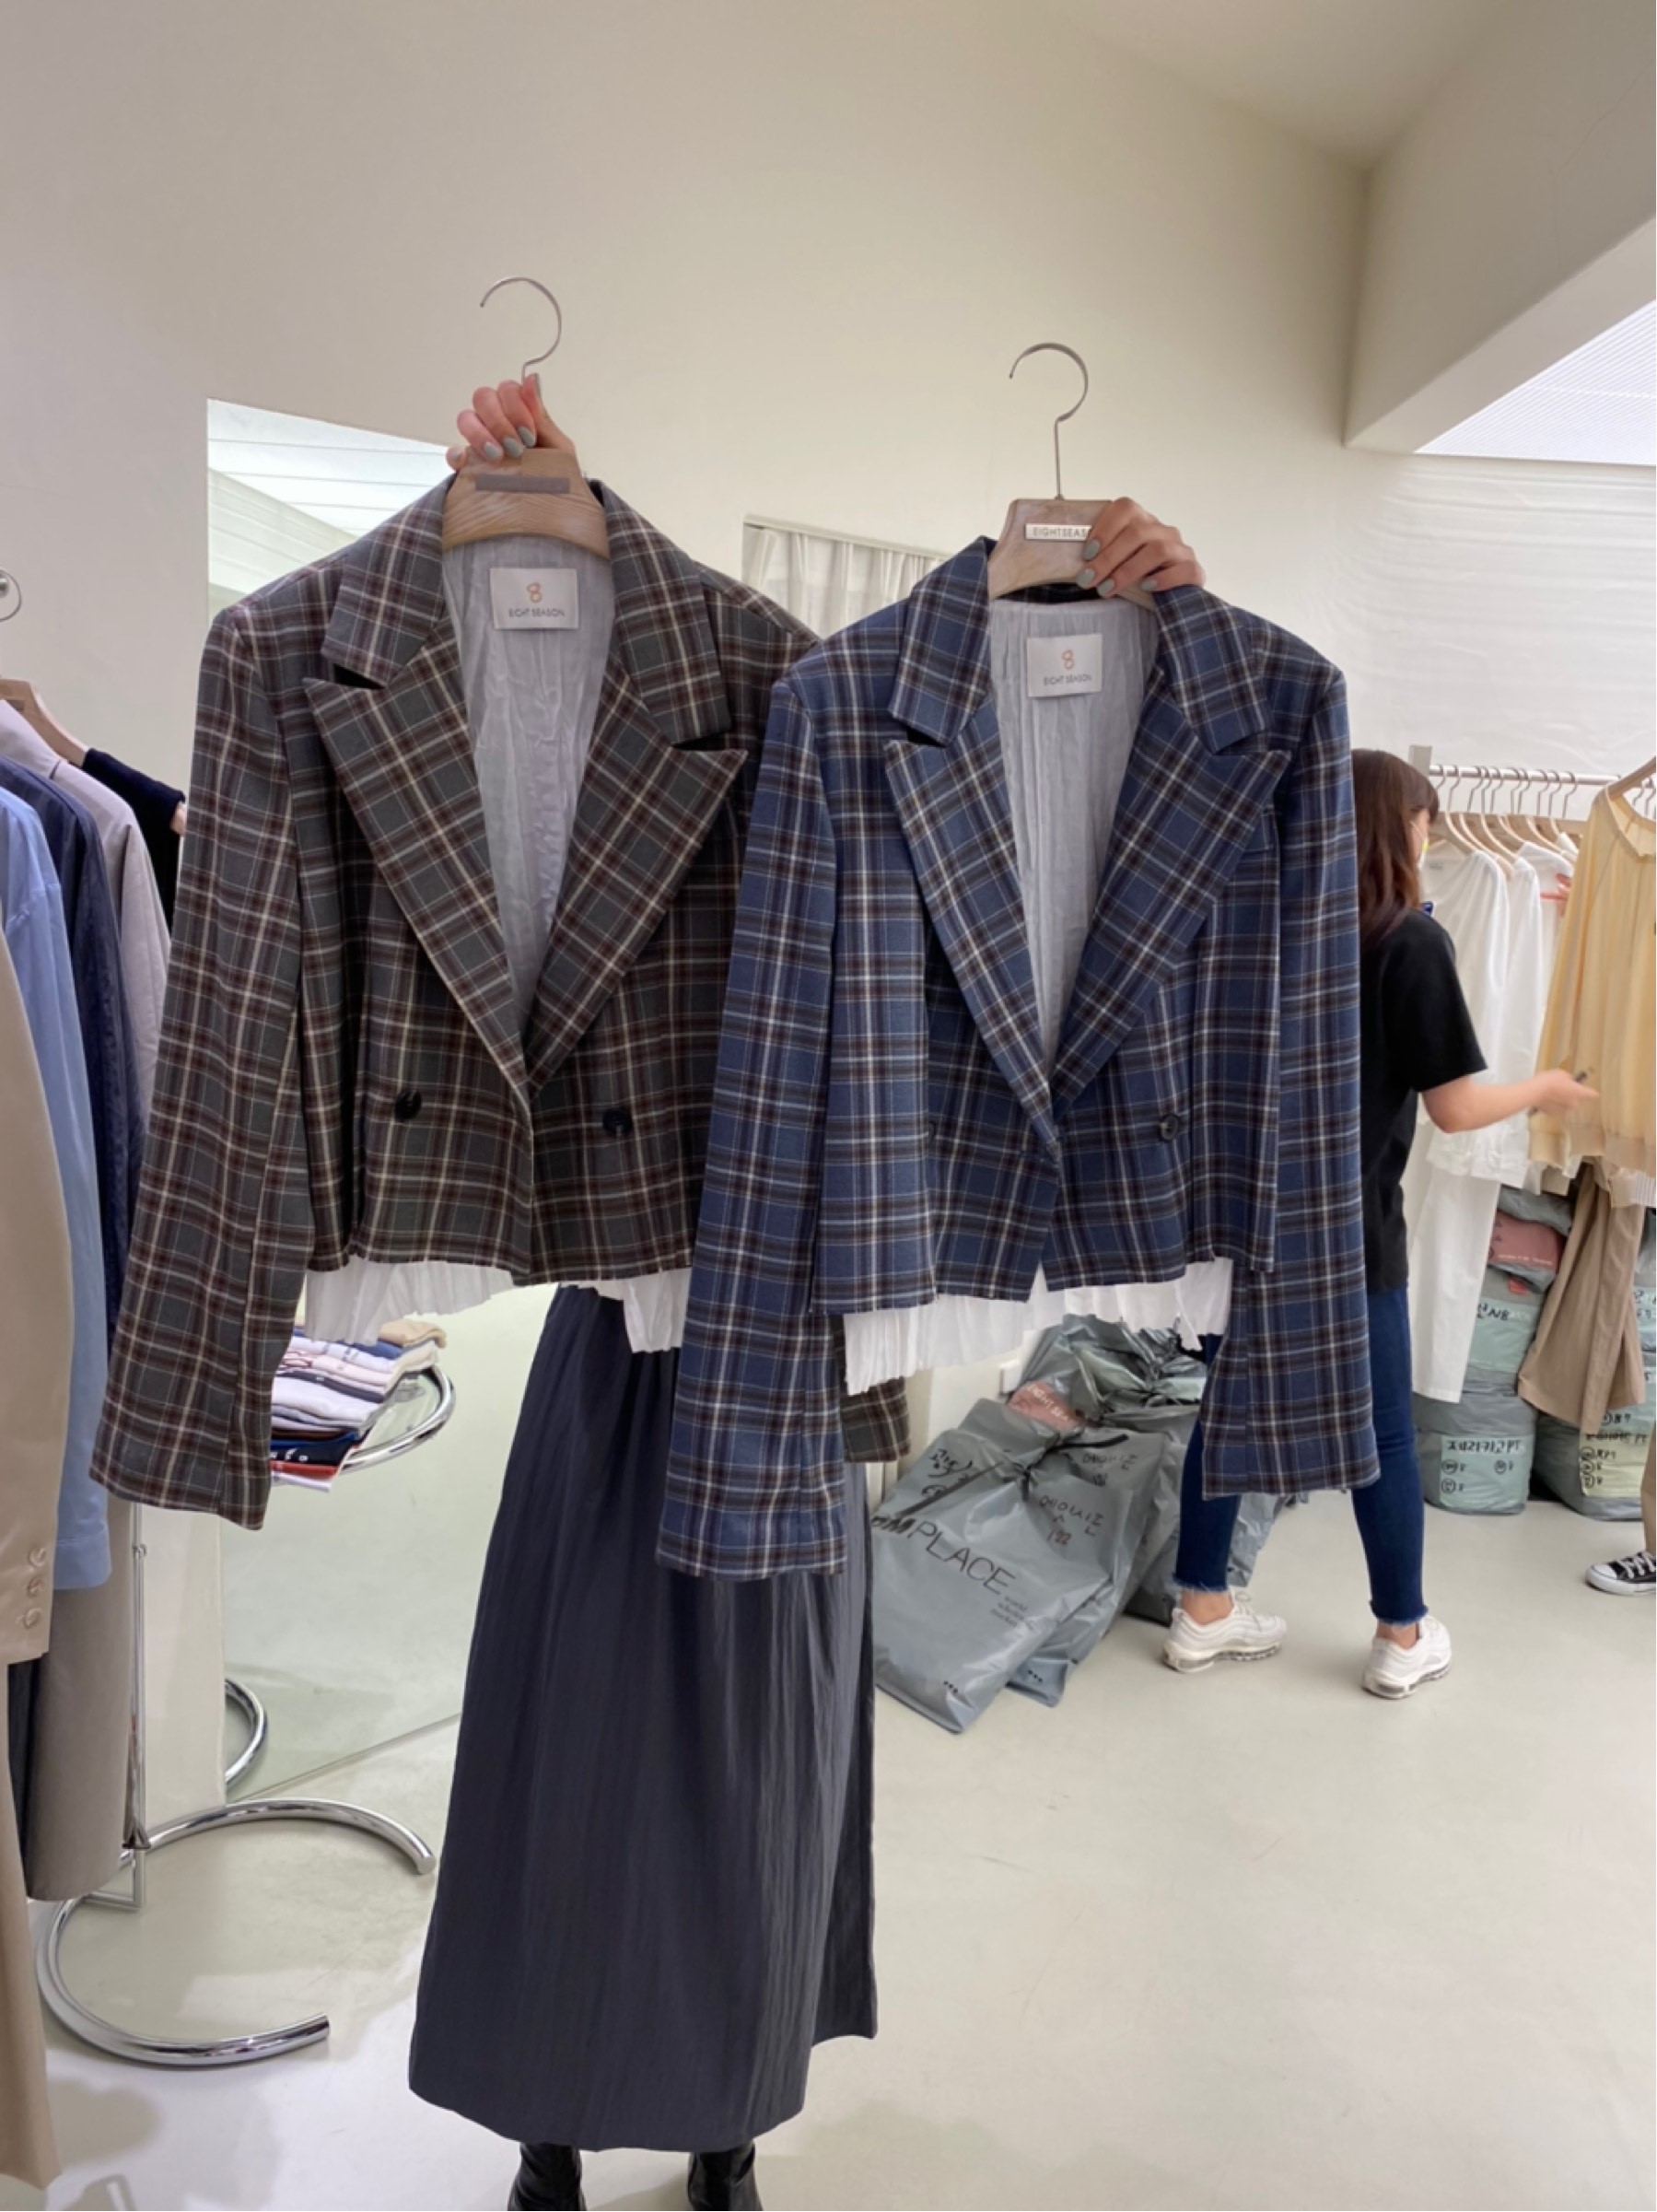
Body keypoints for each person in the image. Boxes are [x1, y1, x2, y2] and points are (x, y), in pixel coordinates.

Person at [431, 373, 1209, 2212]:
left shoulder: (852, 722)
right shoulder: (682, 703)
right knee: (573, 1729)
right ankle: (549, 2123)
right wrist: (525, 502)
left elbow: (1047, 887)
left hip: (797, 1329)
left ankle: (723, 2118)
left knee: (755, 1750)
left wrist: (1162, 643)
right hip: (625, 1326)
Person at [1162, 751, 1598, 1698]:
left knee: (1224, 1408)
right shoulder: (1408, 940)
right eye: (1423, 821)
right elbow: (1455, 1108)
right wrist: (1545, 1086)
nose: (1430, 838)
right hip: (1345, 1230)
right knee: (1382, 1434)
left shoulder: (1264, 927)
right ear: (1396, 827)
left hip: (1236, 1217)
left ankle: (1200, 1609)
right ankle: (1401, 1632)